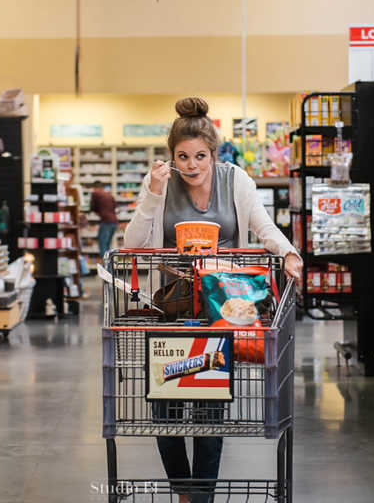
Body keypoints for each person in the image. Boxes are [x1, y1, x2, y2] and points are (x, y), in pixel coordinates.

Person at [123, 97, 302, 503]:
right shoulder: (161, 184)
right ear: (171, 156)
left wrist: (288, 251)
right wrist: (151, 195)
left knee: (209, 409)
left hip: (222, 308)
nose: (191, 165)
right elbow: (132, 244)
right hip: (169, 309)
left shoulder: (235, 179)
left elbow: (261, 223)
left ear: (213, 153)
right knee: (164, 410)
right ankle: (182, 489)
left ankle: (199, 496)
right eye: (182, 156)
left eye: (199, 155)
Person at [90, 181, 118, 259]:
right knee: (107, 246)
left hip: (106, 222)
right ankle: (109, 268)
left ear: (95, 188)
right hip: (114, 222)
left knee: (102, 246)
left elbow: (92, 208)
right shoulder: (109, 195)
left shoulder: (95, 194)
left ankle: (105, 269)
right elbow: (115, 206)